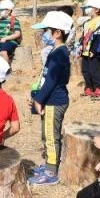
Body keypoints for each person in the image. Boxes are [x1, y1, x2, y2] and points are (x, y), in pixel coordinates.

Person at [28, 11, 73, 186]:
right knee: (46, 134)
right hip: (50, 99)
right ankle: (48, 163)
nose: (44, 34)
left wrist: (39, 99)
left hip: (54, 101)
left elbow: (53, 79)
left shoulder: (59, 53)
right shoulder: (56, 51)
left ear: (58, 33)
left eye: (47, 30)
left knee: (51, 136)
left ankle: (51, 172)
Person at [78, 0, 100, 98]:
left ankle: (98, 88)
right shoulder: (86, 23)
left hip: (93, 53)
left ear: (96, 9)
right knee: (85, 70)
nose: (86, 9)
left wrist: (95, 51)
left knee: (94, 71)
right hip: (85, 52)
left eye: (89, 7)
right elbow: (83, 37)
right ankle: (88, 87)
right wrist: (80, 46)